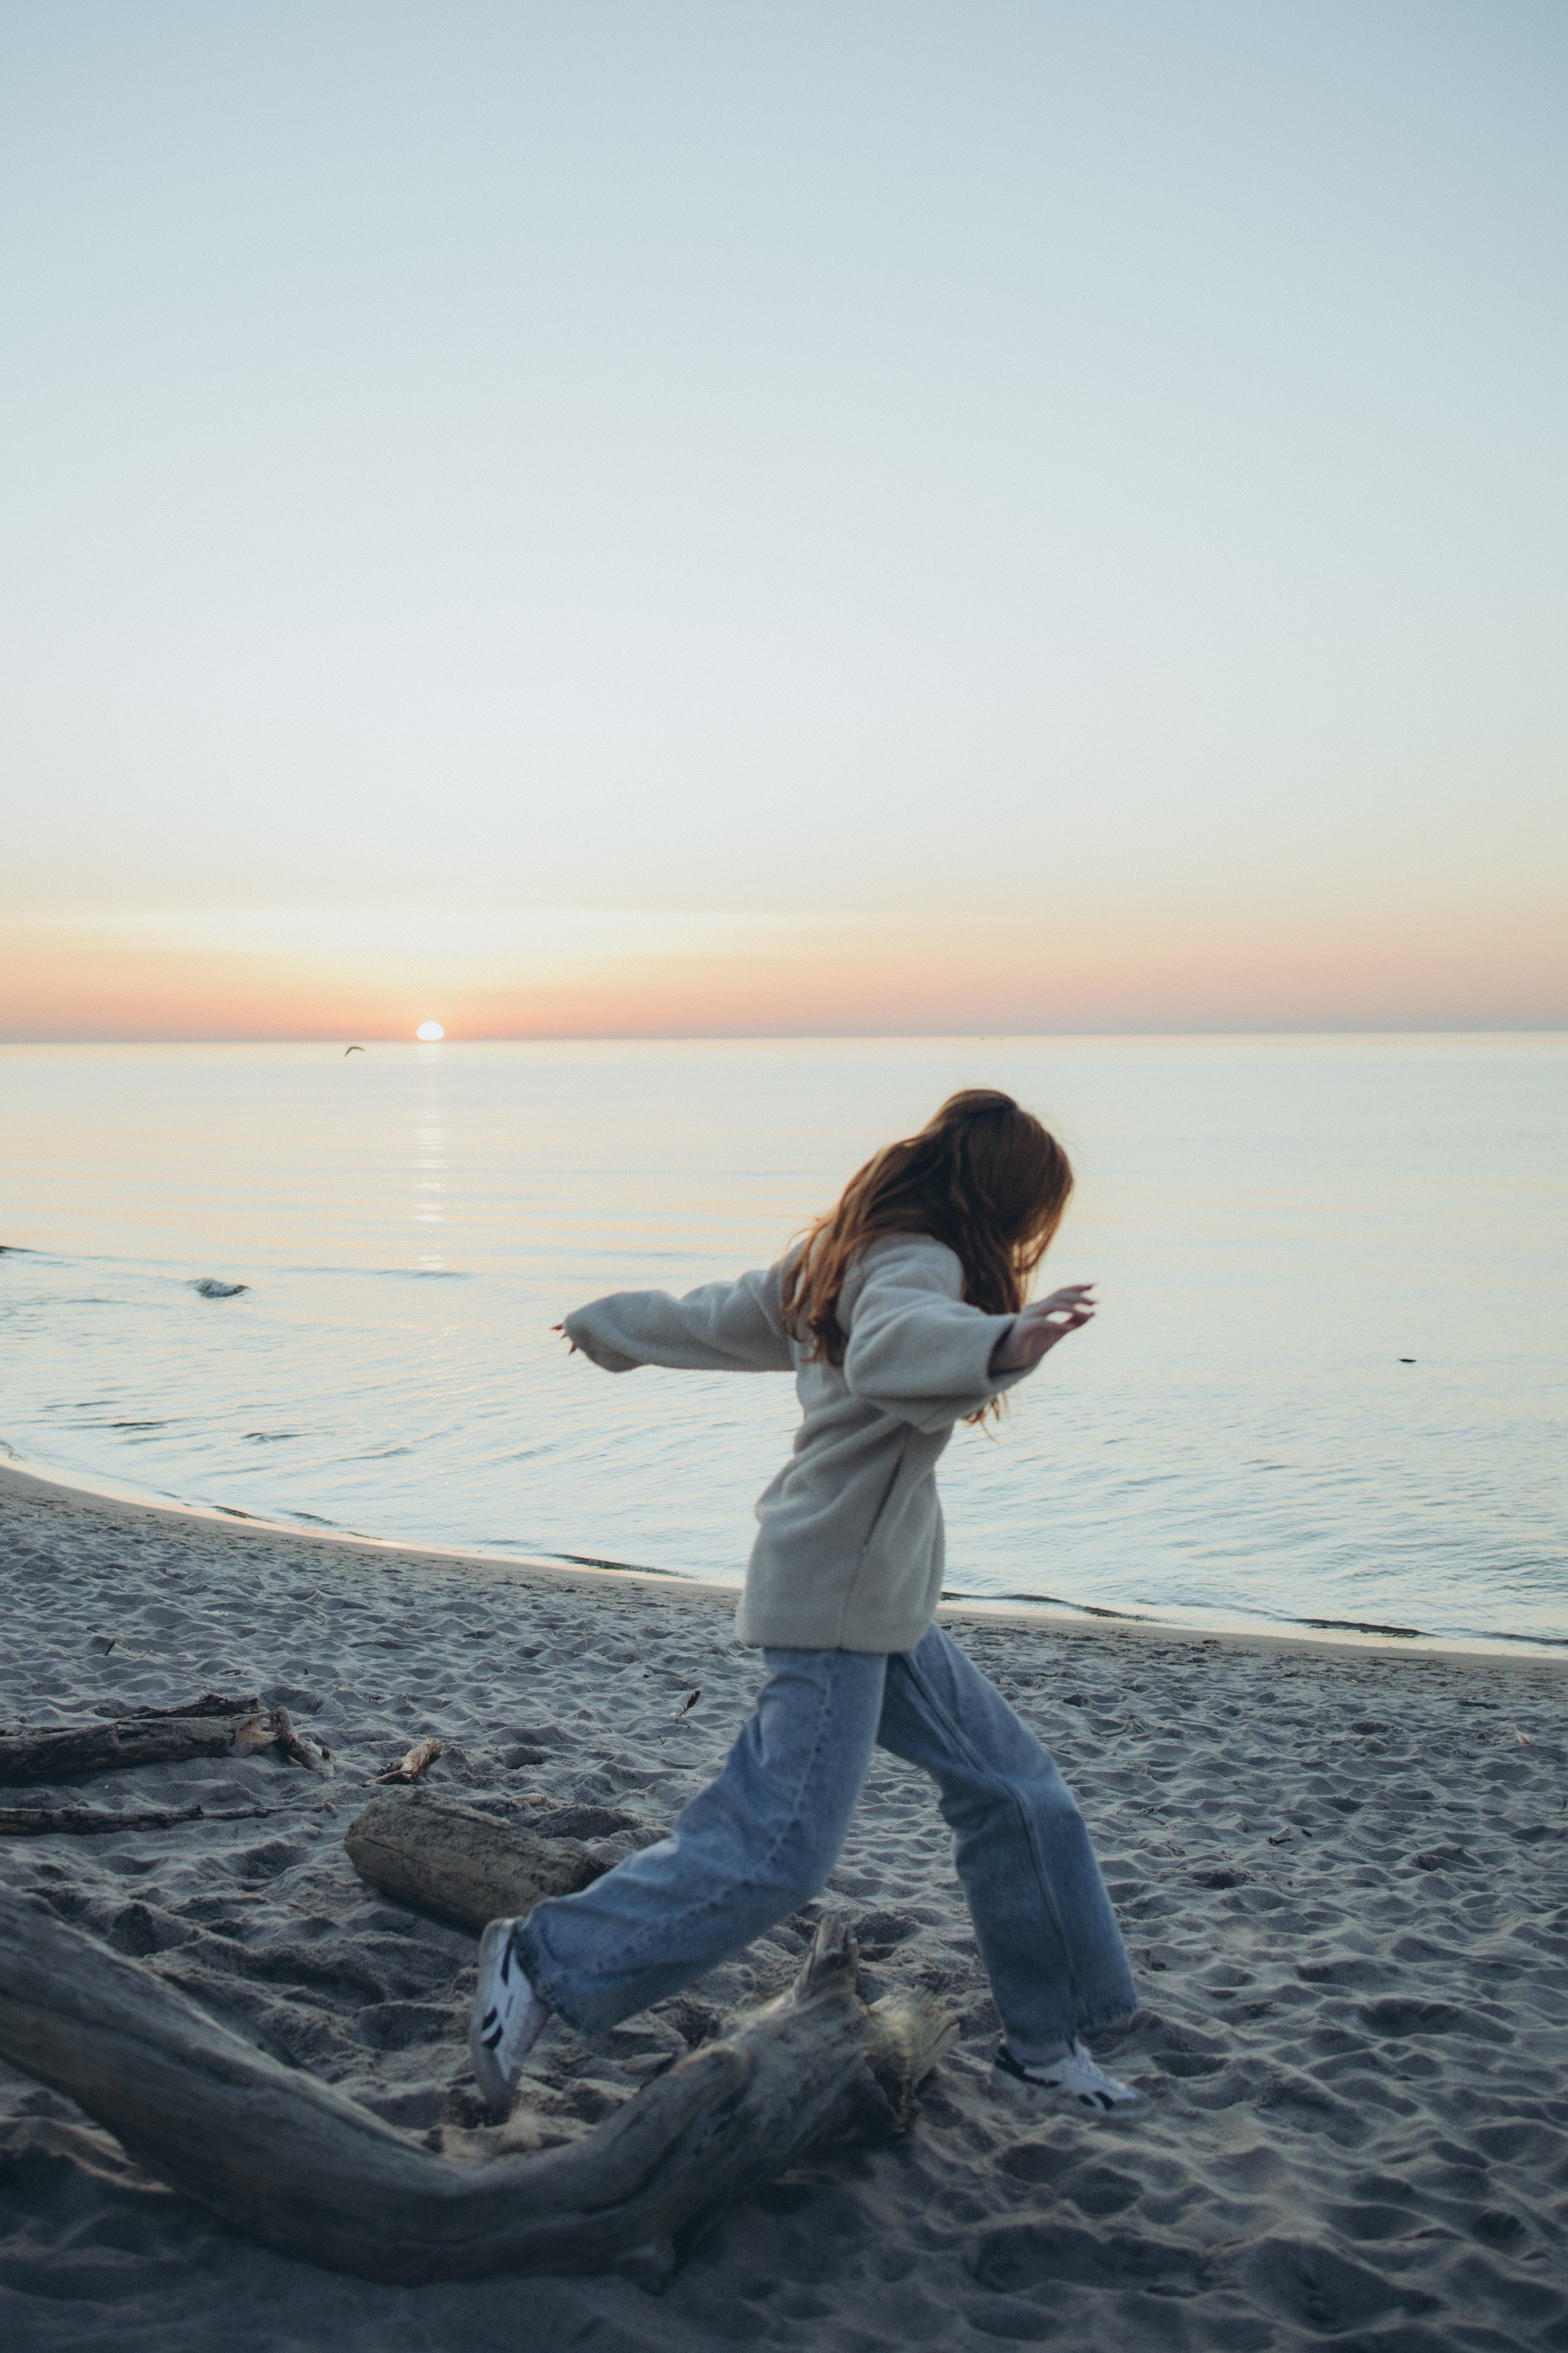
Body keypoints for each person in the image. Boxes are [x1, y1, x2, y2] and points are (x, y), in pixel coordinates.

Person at [471, 1089, 1143, 2117]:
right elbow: (895, 1343)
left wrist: (609, 1324)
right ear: (999, 1197)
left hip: (877, 1598)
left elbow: (707, 1315)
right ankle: (544, 1957)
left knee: (1018, 1793)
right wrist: (1003, 1341)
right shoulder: (915, 1264)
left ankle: (1044, 2044)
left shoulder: (838, 1257)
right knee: (779, 1847)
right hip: (836, 1597)